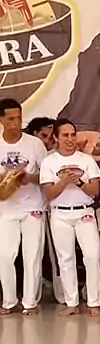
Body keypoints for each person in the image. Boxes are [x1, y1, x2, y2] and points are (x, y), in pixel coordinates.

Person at [40, 119, 100, 317]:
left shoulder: (87, 160)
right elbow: (49, 194)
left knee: (92, 256)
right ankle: (71, 302)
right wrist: (63, 182)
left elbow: (95, 190)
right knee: (65, 259)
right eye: (65, 135)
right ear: (56, 137)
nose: (70, 139)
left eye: (73, 135)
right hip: (60, 213)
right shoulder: (49, 162)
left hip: (84, 212)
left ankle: (94, 302)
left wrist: (79, 182)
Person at [0, 99, 47, 315]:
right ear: (1, 119)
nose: (15, 122)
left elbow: (47, 174)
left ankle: (30, 303)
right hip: (6, 207)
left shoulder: (34, 144)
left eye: (18, 118)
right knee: (5, 255)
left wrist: (30, 178)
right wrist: (6, 179)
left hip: (32, 206)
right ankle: (9, 301)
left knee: (32, 255)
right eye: (10, 118)